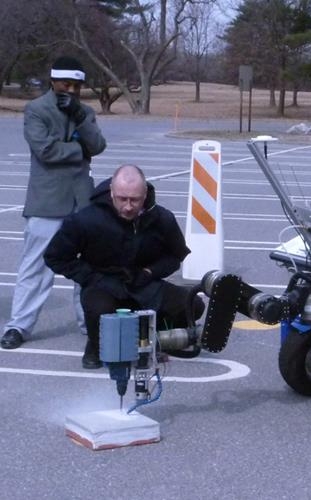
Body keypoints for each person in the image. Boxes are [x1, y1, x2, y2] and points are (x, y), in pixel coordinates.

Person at [44, 164, 205, 369]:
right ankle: (96, 345)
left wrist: (150, 272)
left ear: (145, 194)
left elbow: (175, 255)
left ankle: (157, 342)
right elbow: (55, 256)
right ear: (111, 192)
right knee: (99, 309)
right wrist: (92, 277)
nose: (128, 207)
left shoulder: (161, 218)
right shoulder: (86, 219)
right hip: (103, 284)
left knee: (192, 306)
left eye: (135, 200)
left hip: (143, 283)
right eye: (122, 199)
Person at [1, 56, 106, 350]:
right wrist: (78, 149)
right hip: (46, 201)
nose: (71, 90)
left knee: (87, 267)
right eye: (66, 84)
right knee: (35, 267)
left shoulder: (85, 112)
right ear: (53, 81)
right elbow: (45, 150)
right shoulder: (36, 110)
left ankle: (90, 321)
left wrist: (82, 120)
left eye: (77, 85)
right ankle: (19, 325)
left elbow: (97, 146)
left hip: (82, 200)